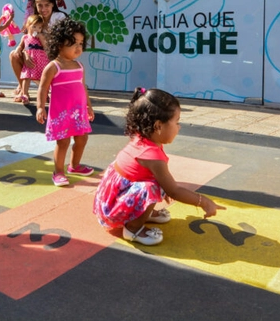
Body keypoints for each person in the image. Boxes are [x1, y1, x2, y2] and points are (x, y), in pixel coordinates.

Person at [93, 88, 223, 246]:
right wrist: (204, 202)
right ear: (158, 126)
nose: (179, 127)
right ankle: (133, 228)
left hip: (112, 198)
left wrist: (164, 187)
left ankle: (142, 213)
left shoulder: (143, 138)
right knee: (154, 187)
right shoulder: (152, 155)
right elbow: (174, 191)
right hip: (112, 210)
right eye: (177, 122)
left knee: (158, 182)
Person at [37, 18, 95, 187]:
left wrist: (89, 107)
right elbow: (42, 88)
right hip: (61, 113)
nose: (78, 47)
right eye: (73, 43)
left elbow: (83, 88)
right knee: (63, 142)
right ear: (59, 44)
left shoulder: (79, 66)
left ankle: (74, 166)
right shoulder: (53, 67)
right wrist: (40, 107)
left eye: (81, 43)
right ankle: (58, 172)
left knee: (82, 138)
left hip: (78, 113)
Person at [9, 0, 65, 98]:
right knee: (14, 54)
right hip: (36, 58)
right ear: (36, 5)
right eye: (40, 5)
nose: (43, 9)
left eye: (47, 5)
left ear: (52, 4)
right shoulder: (34, 19)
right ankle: (23, 91)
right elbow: (27, 41)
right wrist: (25, 54)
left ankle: (46, 89)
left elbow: (62, 45)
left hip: (54, 58)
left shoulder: (59, 17)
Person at [17, 14, 47, 105]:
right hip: (30, 61)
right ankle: (25, 94)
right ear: (28, 26)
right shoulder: (25, 37)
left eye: (39, 27)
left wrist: (41, 38)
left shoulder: (41, 36)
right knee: (26, 77)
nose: (37, 29)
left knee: (42, 79)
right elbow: (21, 46)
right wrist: (18, 49)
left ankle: (45, 95)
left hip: (41, 61)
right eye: (34, 27)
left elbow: (46, 47)